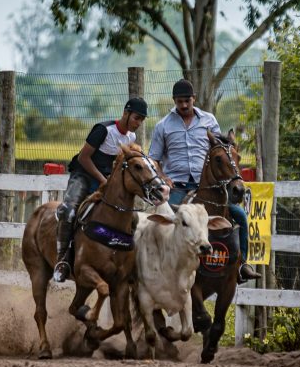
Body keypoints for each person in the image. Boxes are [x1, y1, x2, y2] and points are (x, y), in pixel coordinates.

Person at [148, 79, 259, 283]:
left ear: (194, 99)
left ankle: (243, 264)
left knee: (240, 215)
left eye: (187, 101)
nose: (183, 105)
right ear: (174, 100)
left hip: (208, 186)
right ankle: (160, 268)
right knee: (165, 220)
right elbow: (153, 159)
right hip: (178, 186)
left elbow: (220, 149)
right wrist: (163, 178)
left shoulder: (209, 120)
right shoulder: (163, 126)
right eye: (179, 101)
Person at [53, 97, 148, 282]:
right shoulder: (103, 130)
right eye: (137, 118)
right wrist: (103, 180)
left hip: (106, 181)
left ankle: (125, 262)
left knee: (133, 218)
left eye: (142, 120)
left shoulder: (131, 138)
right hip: (83, 176)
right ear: (126, 113)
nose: (138, 123)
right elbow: (83, 158)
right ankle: (62, 260)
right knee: (69, 212)